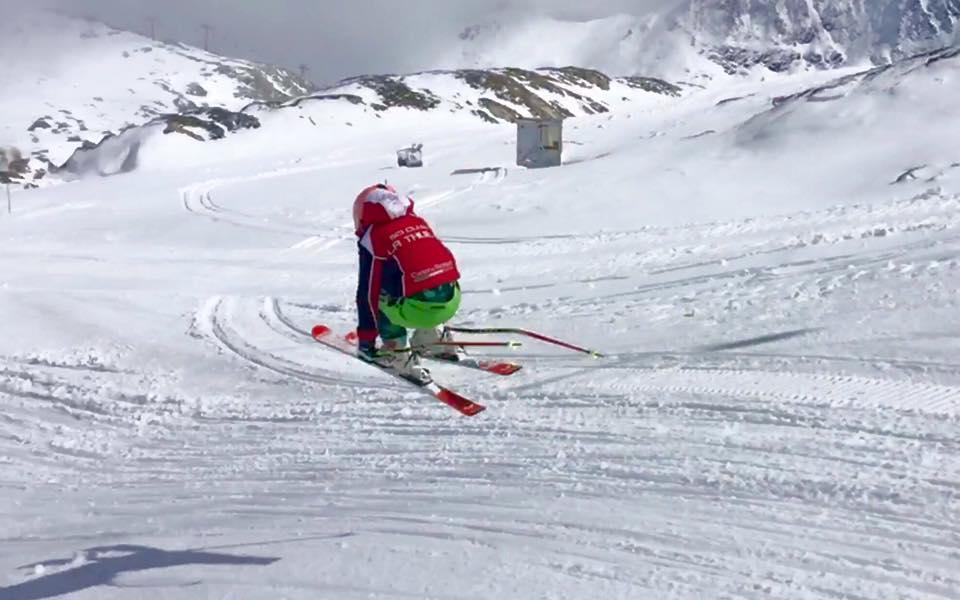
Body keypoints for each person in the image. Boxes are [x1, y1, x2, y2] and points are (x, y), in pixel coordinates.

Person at [353, 182, 462, 381]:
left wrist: (367, 340)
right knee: (427, 279)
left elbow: (367, 293)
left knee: (380, 295)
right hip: (451, 301)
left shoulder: (374, 237)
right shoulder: (419, 222)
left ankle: (397, 352)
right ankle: (433, 338)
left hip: (417, 310)